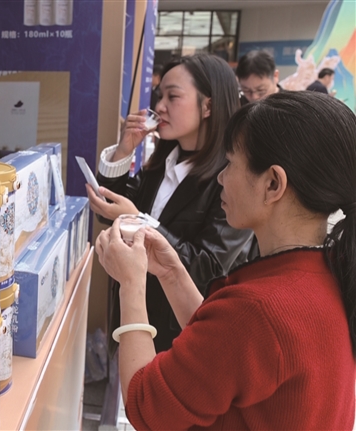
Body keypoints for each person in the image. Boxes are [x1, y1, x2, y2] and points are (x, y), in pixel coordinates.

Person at [95, 91, 356, 430]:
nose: (221, 177)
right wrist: (172, 273)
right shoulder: (331, 273)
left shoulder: (258, 309)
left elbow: (146, 405)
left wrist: (131, 284)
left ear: (273, 183)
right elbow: (224, 350)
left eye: (230, 163)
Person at [86, 53, 255, 352]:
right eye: (159, 95)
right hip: (134, 312)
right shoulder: (163, 162)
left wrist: (141, 221)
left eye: (172, 96)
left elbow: (209, 266)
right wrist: (125, 149)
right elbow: (110, 210)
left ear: (208, 106)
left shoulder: (232, 178)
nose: (160, 106)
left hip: (182, 334)